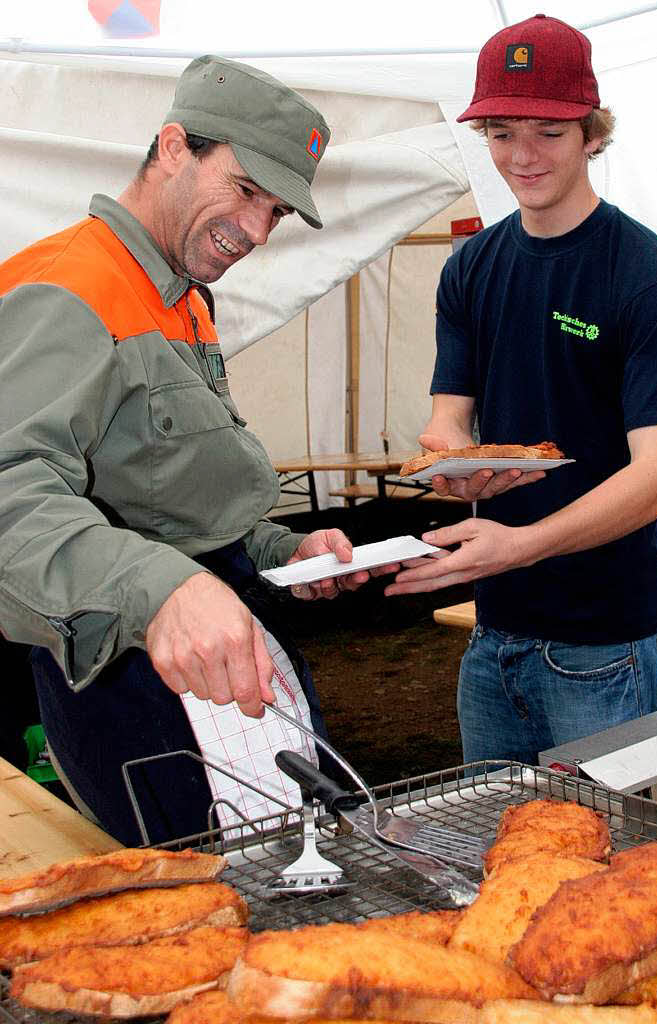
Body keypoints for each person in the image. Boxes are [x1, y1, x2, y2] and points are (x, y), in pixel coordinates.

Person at [0, 55, 394, 844]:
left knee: (296, 868)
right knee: (200, 908)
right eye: (245, 190)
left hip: (228, 659)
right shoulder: (65, 288)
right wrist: (165, 589)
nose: (254, 231)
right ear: (174, 147)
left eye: (275, 211)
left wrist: (287, 550)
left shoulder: (185, 297)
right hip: (132, 687)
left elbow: (179, 492)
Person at [385, 14, 657, 765]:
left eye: (548, 133)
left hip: (607, 641)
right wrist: (455, 468)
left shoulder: (643, 275)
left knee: (618, 872)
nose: (521, 156)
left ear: (590, 133)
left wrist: (520, 546)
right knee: (512, 854)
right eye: (501, 131)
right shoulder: (471, 266)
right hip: (496, 633)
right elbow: (447, 419)